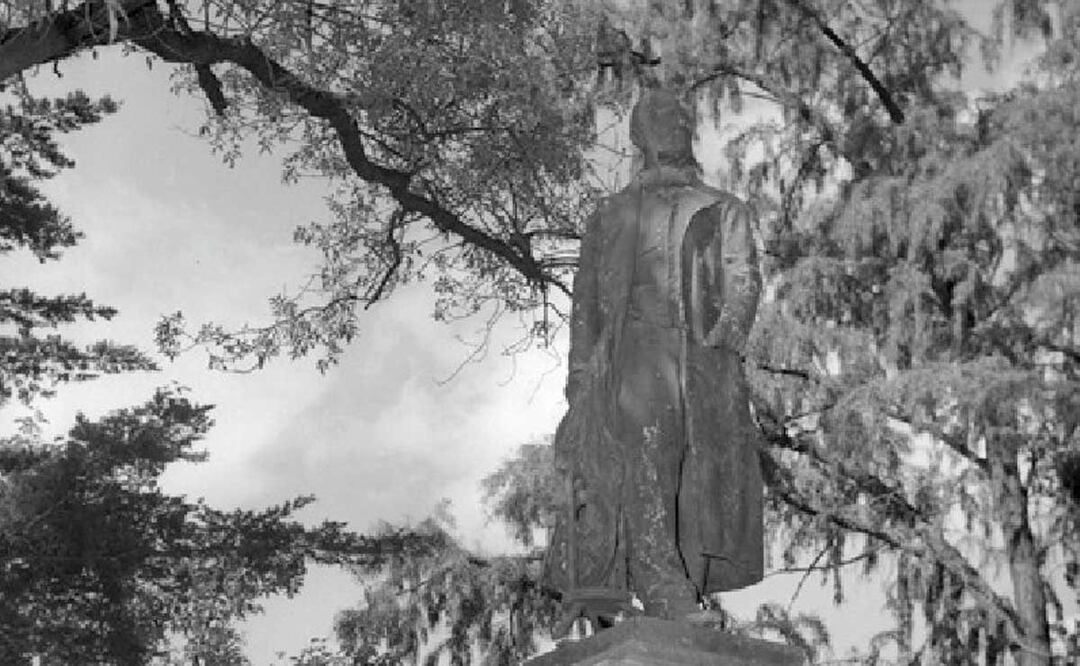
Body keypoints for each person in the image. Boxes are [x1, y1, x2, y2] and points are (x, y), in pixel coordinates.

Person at [544, 88, 764, 629]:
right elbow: (586, 303)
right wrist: (579, 377)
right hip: (631, 356)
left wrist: (725, 334)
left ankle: (651, 585)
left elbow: (743, 277)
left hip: (697, 357)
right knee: (646, 459)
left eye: (678, 116)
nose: (670, 124)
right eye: (657, 117)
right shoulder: (610, 216)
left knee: (697, 475)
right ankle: (664, 589)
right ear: (638, 135)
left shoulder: (722, 208)